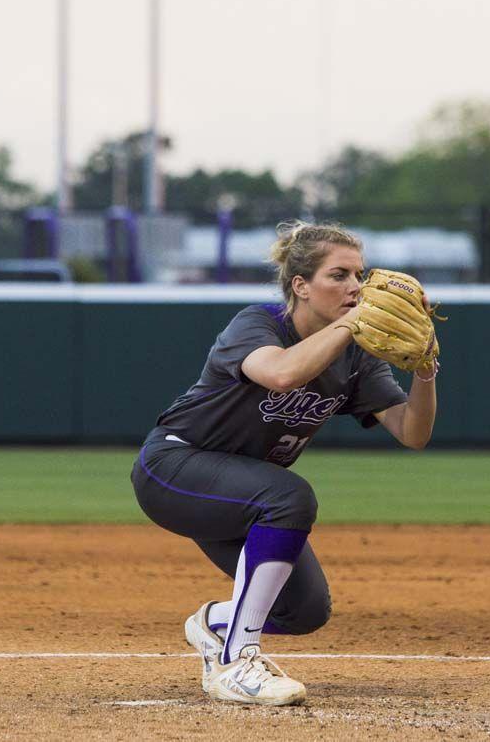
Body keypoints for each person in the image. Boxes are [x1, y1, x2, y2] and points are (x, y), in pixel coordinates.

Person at [131, 221, 438, 706]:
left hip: (242, 494)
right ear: (300, 285)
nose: (355, 288)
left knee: (305, 610)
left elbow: (412, 432)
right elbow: (280, 373)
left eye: (359, 275)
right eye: (338, 275)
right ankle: (236, 662)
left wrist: (425, 370)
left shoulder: (356, 357)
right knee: (289, 496)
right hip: (175, 468)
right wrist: (349, 325)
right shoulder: (257, 323)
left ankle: (216, 624)